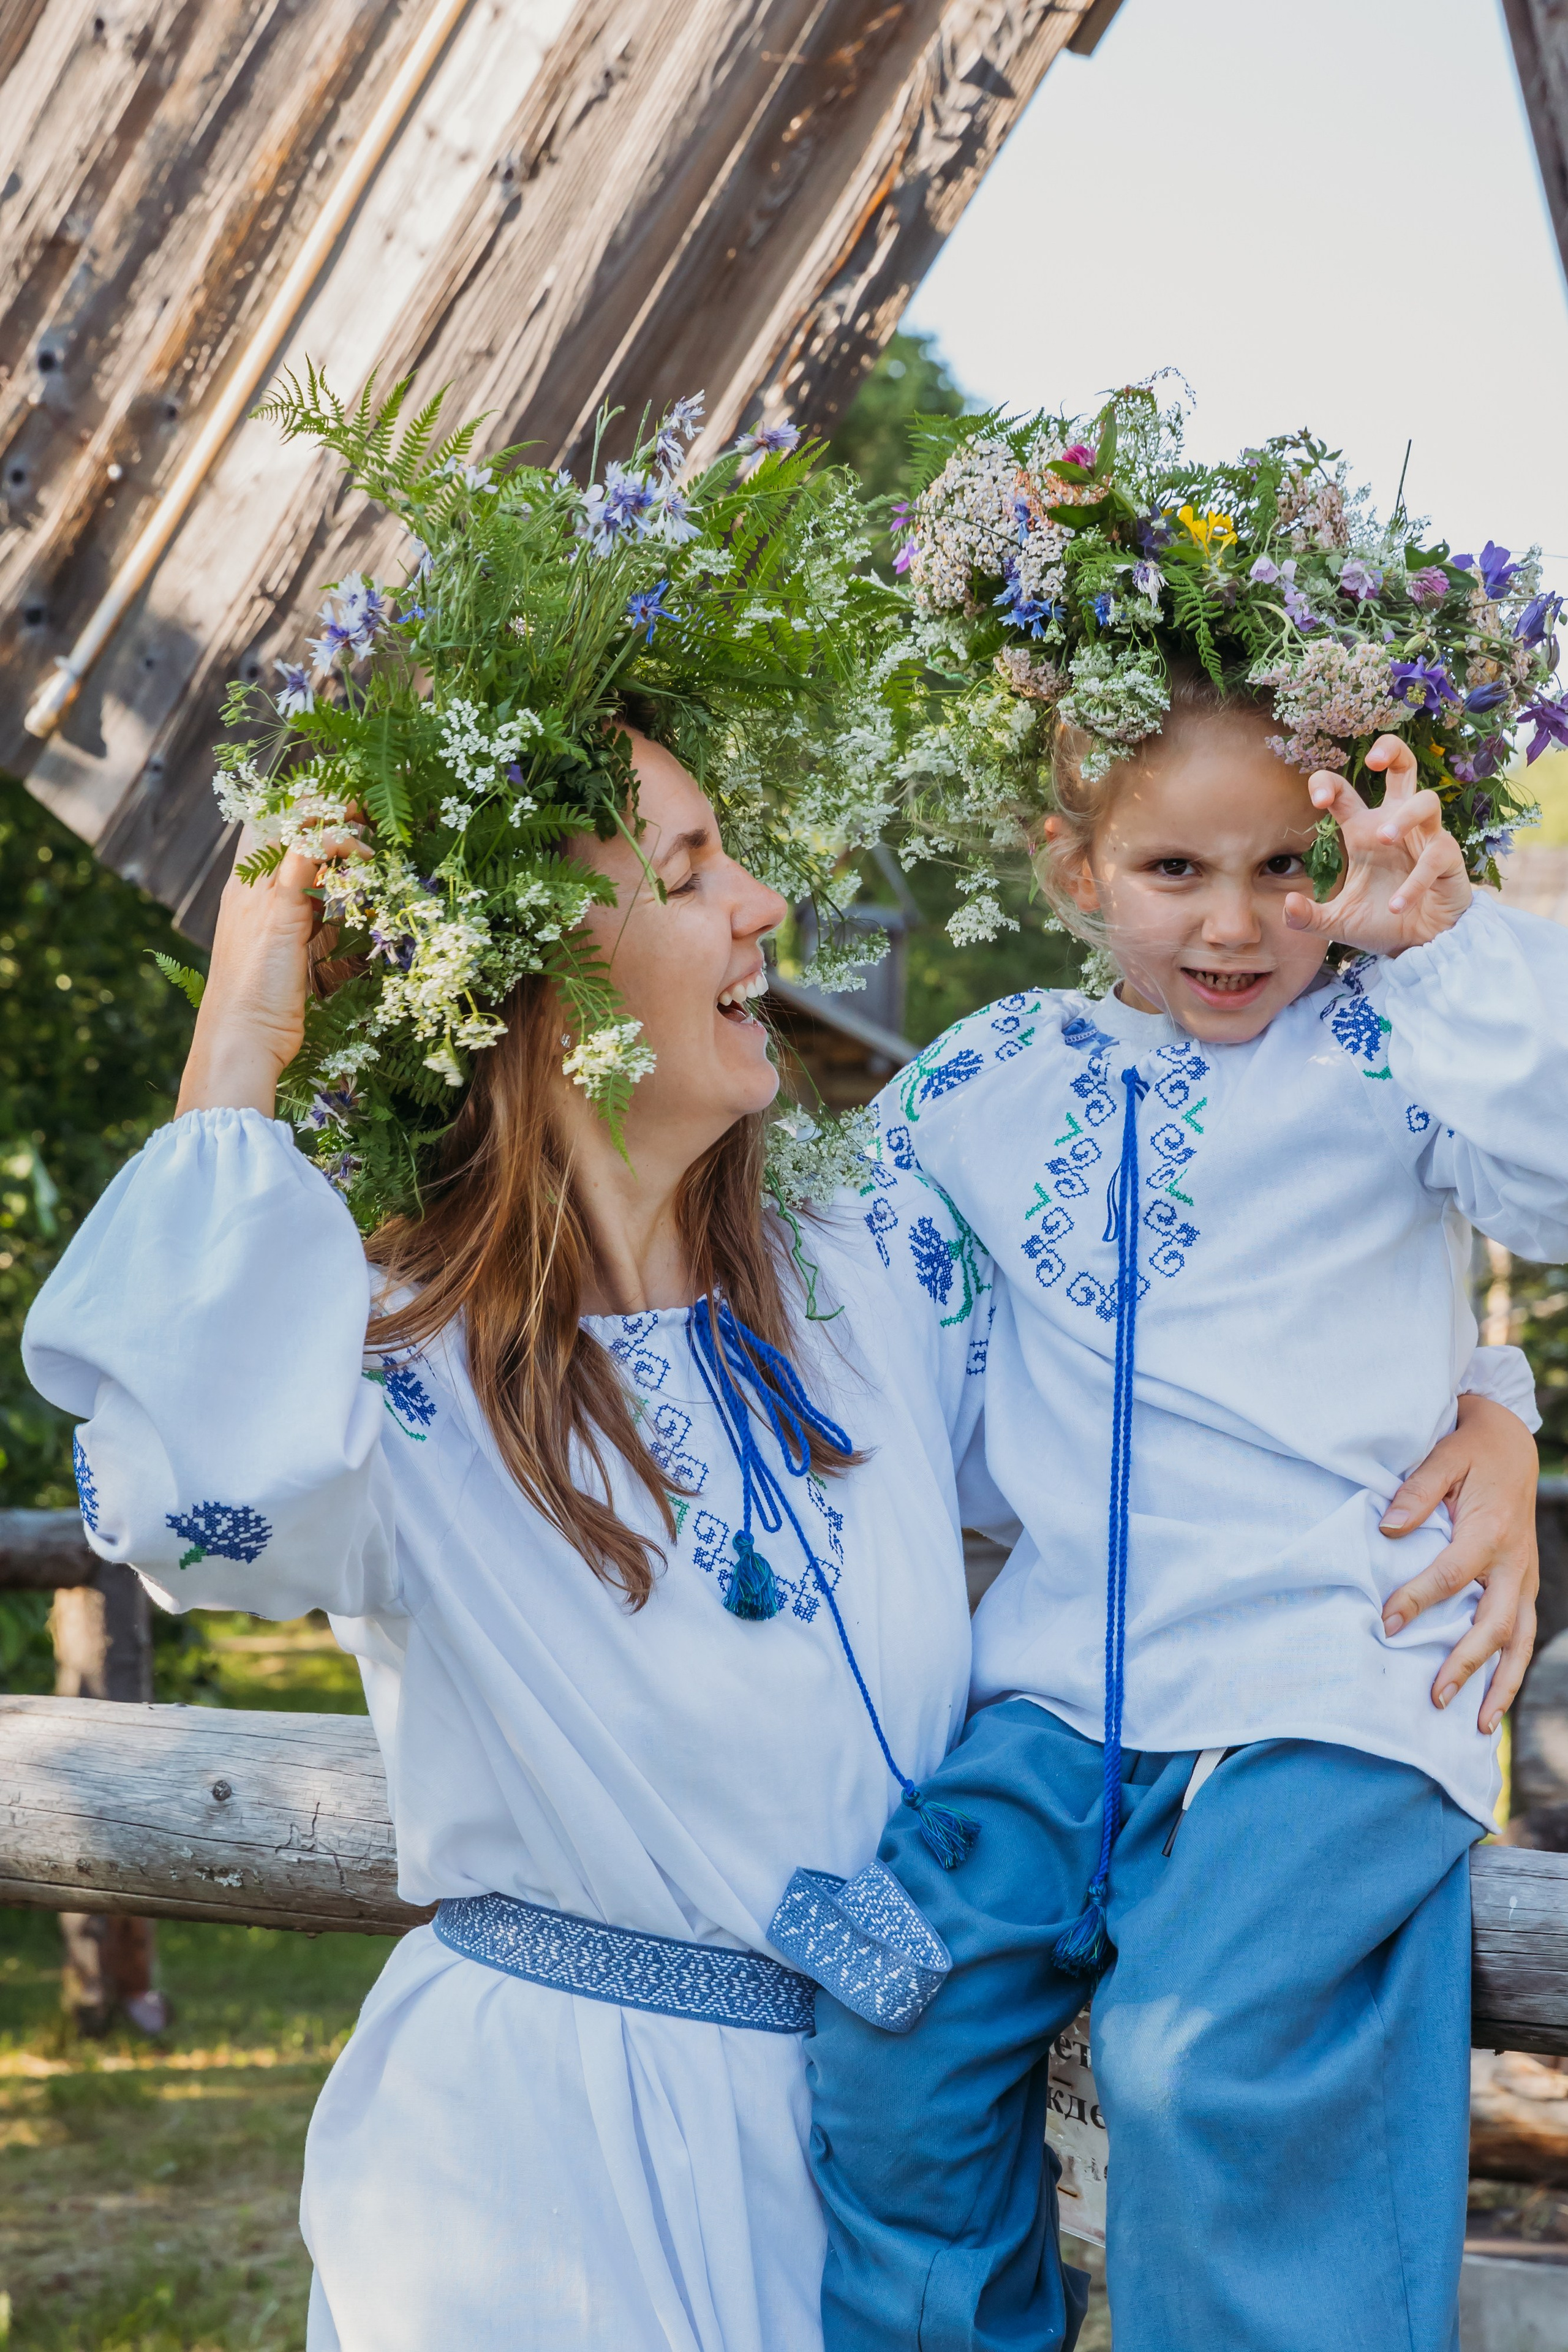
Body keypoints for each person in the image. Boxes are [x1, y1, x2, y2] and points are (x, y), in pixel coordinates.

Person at [21, 386, 1538, 2352]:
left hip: (848, 2165)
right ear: (534, 976)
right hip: (542, 2188)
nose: (763, 909)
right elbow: (193, 1510)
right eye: (686, 871)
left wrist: (1480, 1404)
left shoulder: (866, 1273)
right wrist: (242, 1033)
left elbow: (1195, 1349)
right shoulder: (389, 1361)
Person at [805, 405, 1559, 2352]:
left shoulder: (1401, 1047)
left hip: (1330, 1682)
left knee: (1195, 2067)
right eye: (1172, 866)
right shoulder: (983, 1087)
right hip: (1054, 1701)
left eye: (1287, 868)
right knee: (885, 2017)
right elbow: (849, 1339)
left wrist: (1455, 940)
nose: (1236, 922)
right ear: (1072, 866)